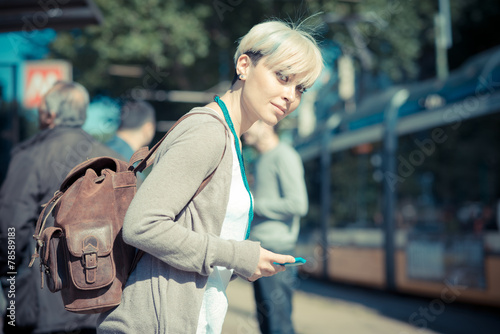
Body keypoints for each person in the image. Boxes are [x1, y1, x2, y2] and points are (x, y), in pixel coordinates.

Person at [97, 18, 324, 334]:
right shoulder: (208, 132)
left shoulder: (230, 138)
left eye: (300, 88)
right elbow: (141, 225)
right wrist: (240, 255)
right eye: (282, 77)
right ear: (244, 65)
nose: (290, 96)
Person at [0, 81, 123, 334]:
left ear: (49, 114)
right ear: (83, 114)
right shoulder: (108, 159)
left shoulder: (29, 157)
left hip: (40, 305)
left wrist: (10, 280)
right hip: (100, 300)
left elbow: (10, 231)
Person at [243, 120, 308, 334]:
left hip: (277, 250)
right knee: (268, 324)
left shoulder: (284, 155)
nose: (244, 128)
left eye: (250, 122)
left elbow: (299, 203)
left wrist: (253, 204)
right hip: (263, 248)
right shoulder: (260, 159)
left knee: (278, 324)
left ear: (265, 124)